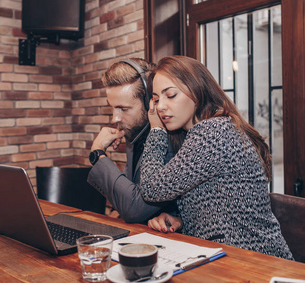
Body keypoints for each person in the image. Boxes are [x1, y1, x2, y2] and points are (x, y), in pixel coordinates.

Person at [139, 55, 293, 259]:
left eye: (171, 95)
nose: (160, 107)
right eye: (156, 99)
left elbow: (151, 189)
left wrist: (156, 130)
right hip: (234, 258)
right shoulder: (210, 129)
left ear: (196, 90)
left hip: (256, 263)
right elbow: (224, 208)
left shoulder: (212, 131)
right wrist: (182, 219)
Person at [87, 58, 179, 223]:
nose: (115, 118)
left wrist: (98, 153)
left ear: (149, 102)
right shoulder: (134, 135)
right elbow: (127, 192)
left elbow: (135, 208)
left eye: (123, 109)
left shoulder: (170, 142)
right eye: (112, 107)